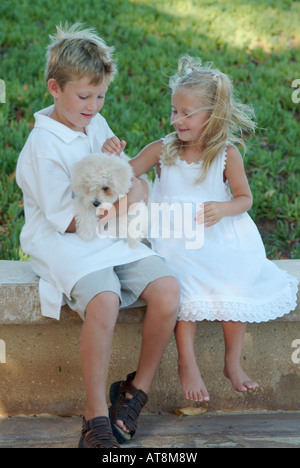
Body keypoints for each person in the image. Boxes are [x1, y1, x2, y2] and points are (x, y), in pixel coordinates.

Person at [16, 23, 180, 448]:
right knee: (104, 298)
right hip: (67, 239)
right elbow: (66, 220)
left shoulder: (95, 121)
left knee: (167, 290)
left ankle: (133, 393)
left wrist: (132, 184)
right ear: (54, 88)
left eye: (101, 95)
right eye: (84, 96)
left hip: (111, 230)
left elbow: (119, 174)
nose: (93, 106)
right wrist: (125, 204)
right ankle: (95, 417)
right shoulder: (41, 147)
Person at [103, 55, 298, 404]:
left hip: (216, 234)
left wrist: (223, 208)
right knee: (183, 283)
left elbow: (245, 198)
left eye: (186, 113)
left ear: (213, 115)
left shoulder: (226, 155)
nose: (176, 119)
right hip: (175, 239)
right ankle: (186, 362)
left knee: (234, 281)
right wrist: (113, 155)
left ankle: (232, 361)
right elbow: (127, 172)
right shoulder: (163, 149)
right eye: (174, 111)